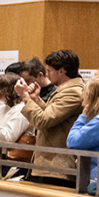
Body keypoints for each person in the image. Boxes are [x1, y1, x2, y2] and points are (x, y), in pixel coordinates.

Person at [20, 49, 86, 182]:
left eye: (49, 71)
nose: (47, 74)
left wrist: (25, 98)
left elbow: (43, 121)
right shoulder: (65, 89)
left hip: (58, 167)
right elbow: (50, 114)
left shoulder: (73, 92)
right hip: (50, 164)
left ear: (62, 71)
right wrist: (36, 99)